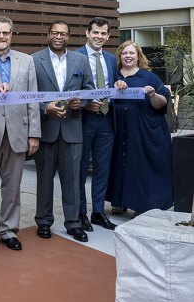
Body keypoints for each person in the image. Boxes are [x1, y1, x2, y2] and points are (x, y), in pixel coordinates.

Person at [0, 16, 40, 251]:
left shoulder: (27, 61)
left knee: (13, 185)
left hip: (18, 131)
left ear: (12, 34)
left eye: (5, 33)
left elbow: (33, 98)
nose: (1, 37)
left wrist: (34, 133)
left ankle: (8, 229)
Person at [32, 21, 95, 243]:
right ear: (48, 34)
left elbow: (89, 89)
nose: (59, 36)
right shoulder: (34, 60)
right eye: (55, 33)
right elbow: (28, 95)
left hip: (72, 128)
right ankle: (44, 221)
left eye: (63, 34)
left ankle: (74, 223)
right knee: (44, 179)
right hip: (46, 128)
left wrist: (83, 102)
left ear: (69, 37)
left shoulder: (81, 60)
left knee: (73, 180)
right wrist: (44, 107)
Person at [110, 41, 173, 215]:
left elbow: (163, 103)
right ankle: (119, 200)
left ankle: (141, 204)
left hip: (144, 130)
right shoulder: (113, 76)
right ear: (120, 56)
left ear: (138, 57)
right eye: (124, 53)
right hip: (119, 129)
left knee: (139, 167)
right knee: (119, 164)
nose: (128, 56)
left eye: (132, 53)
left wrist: (152, 94)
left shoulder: (149, 77)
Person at [75, 17, 117, 232]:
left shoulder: (111, 59)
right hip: (84, 121)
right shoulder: (75, 57)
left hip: (107, 121)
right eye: (95, 33)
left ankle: (98, 211)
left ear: (108, 36)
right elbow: (69, 89)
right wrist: (84, 104)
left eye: (103, 34)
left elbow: (114, 85)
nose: (99, 37)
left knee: (102, 169)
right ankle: (81, 213)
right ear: (87, 33)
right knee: (81, 170)